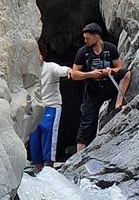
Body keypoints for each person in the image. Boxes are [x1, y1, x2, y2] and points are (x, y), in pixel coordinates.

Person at [71, 23, 126, 152]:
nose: (85, 41)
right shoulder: (83, 52)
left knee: (126, 73)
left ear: (97, 36)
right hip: (92, 89)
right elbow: (74, 74)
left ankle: (118, 104)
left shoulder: (110, 48)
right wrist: (90, 74)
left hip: (108, 85)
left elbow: (119, 67)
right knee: (87, 123)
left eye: (88, 38)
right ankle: (79, 155)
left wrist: (110, 70)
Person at [26, 39, 70, 172]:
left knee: (47, 130)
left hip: (51, 105)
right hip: (34, 108)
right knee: (34, 135)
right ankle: (38, 166)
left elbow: (62, 70)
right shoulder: (27, 70)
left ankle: (49, 163)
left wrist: (70, 71)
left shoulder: (50, 67)